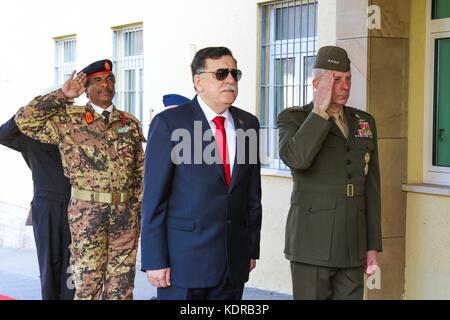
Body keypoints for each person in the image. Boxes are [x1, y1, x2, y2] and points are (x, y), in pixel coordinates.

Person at [14, 59, 145, 300]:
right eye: (97, 80)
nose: (105, 85)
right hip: (87, 215)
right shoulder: (68, 120)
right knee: (86, 286)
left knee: (122, 287)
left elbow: (140, 171)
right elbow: (25, 120)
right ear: (86, 87)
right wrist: (62, 94)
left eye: (110, 79)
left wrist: (136, 209)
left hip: (125, 215)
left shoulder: (129, 123)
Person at [140, 46, 262, 300]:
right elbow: (154, 199)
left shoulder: (247, 124)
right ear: (198, 81)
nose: (230, 80)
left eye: (234, 73)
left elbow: (252, 194)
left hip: (232, 263)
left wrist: (251, 249)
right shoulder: (170, 124)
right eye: (220, 73)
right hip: (183, 264)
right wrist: (154, 259)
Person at [277, 46, 382, 300]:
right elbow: (298, 159)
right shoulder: (293, 118)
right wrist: (319, 112)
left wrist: (372, 246)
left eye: (348, 79)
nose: (345, 86)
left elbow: (372, 187)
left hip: (352, 243)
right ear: (317, 83)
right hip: (312, 241)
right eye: (336, 80)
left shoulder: (364, 121)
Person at [0, 116, 74, 300]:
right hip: (45, 206)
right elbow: (2, 134)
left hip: (77, 206)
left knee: (73, 264)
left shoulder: (74, 134)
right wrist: (29, 111)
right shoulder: (29, 136)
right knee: (49, 264)